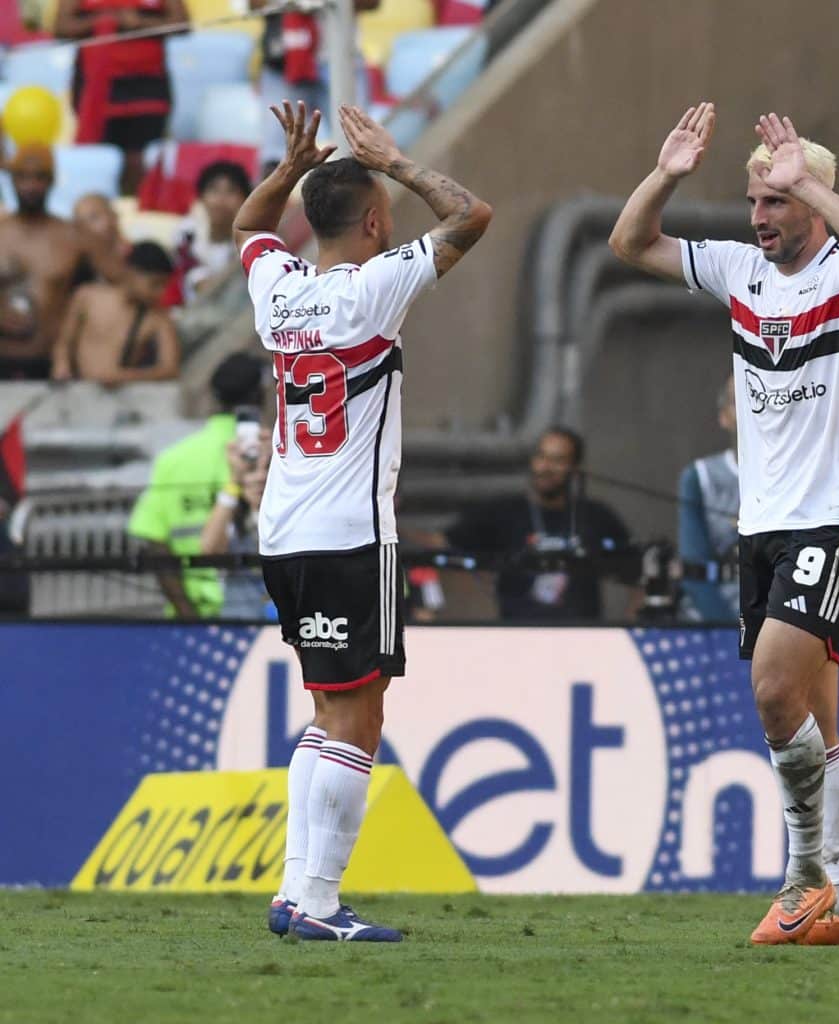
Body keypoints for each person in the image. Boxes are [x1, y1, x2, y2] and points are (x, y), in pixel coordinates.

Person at [610, 103, 839, 946]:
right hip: (765, 525)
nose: (759, 218)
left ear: (812, 203)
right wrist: (666, 175)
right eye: (754, 202)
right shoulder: (741, 271)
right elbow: (631, 244)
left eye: (774, 202)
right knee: (819, 724)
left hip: (836, 520)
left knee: (775, 694)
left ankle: (804, 875)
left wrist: (806, 177)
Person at [237, 101, 490, 942]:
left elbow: (248, 223)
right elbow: (471, 215)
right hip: (350, 533)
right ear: (377, 222)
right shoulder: (375, 287)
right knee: (357, 717)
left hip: (285, 530)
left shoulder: (278, 289)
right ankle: (316, 902)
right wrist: (400, 159)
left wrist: (288, 166)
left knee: (326, 709)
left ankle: (293, 892)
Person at [125, 352, 266, 618]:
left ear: (213, 397)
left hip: (197, 615)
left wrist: (187, 616)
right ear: (260, 396)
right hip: (255, 615)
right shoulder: (269, 453)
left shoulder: (173, 458)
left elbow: (154, 542)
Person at [441, 426, 633, 621]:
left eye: (557, 460)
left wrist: (630, 627)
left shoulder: (596, 516)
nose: (546, 467)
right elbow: (442, 547)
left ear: (575, 468)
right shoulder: (503, 512)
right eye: (541, 457)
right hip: (518, 635)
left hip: (582, 636)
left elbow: (637, 570)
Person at [56, 0, 187, 195]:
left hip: (146, 87)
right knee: (98, 162)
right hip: (98, 87)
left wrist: (139, 23)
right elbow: (61, 27)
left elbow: (182, 23)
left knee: (139, 161)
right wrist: (105, 21)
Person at [250, 0, 378, 176]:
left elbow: (371, 3)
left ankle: (359, 200)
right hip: (284, 62)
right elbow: (253, 4)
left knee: (360, 146)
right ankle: (277, 202)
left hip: (341, 58)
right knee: (276, 155)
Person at [0, 147, 87, 379]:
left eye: (39, 177)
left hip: (50, 365)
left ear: (52, 181)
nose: (30, 186)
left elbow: (100, 293)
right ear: (12, 179)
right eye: (23, 177)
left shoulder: (73, 238)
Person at [51, 241, 181, 382]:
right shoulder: (88, 297)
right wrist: (61, 365)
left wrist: (124, 376)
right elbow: (64, 342)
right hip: (79, 389)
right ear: (132, 272)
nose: (159, 293)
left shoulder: (158, 318)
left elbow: (169, 368)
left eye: (164, 285)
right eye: (154, 283)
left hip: (122, 396)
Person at [677, 379, 739, 622]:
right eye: (738, 402)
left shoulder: (802, 475)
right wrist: (730, 632)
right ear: (724, 417)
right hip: (712, 624)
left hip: (783, 625)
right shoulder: (699, 477)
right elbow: (695, 570)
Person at [199, 425, 273, 621]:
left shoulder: (291, 516)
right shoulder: (231, 517)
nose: (260, 477)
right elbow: (209, 550)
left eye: (268, 468)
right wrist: (234, 480)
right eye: (251, 469)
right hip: (240, 626)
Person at [171, 161, 254, 303]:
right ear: (201, 197)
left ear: (244, 200)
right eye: (214, 191)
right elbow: (200, 284)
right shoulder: (187, 233)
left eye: (231, 191)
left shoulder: (251, 240)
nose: (221, 200)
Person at [72, 193, 129, 285]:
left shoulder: (139, 258)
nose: (85, 227)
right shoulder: (82, 268)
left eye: (93, 218)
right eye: (79, 223)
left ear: (113, 215)